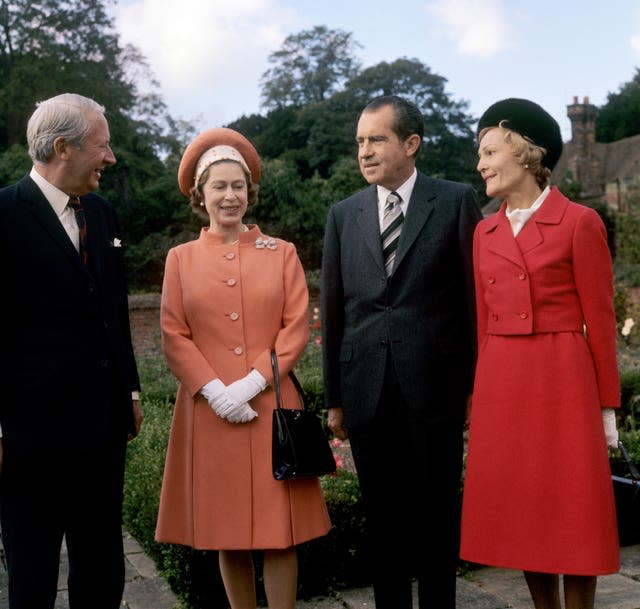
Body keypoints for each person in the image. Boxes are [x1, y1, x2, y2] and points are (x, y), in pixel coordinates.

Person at [155, 127, 332, 609]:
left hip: (271, 405)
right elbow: (174, 334)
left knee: (281, 532)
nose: (229, 196)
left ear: (250, 192)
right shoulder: (180, 259)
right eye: (219, 186)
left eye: (238, 186)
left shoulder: (283, 253)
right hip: (210, 413)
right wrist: (215, 391)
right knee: (226, 531)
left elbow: (294, 327)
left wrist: (252, 382)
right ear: (201, 194)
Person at [321, 94, 483, 609]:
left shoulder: (455, 201)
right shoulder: (343, 215)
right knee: (383, 525)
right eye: (360, 142)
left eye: (376, 139)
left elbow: (475, 303)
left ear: (411, 144)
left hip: (434, 391)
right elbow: (335, 311)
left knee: (437, 521)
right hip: (366, 389)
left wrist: (476, 388)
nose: (364, 152)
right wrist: (335, 398)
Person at [460, 98, 620, 609]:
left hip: (564, 380)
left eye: (488, 151)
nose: (480, 163)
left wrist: (607, 406)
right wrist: (477, 397)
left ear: (526, 153)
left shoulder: (580, 221)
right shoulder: (482, 233)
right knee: (527, 510)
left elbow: (601, 320)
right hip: (503, 385)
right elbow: (483, 328)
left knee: (574, 507)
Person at [0, 93, 143, 609]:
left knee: (103, 569)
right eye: (102, 147)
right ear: (63, 147)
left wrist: (129, 389)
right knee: (32, 573)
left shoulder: (103, 214)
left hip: (102, 430)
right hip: (28, 438)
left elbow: (115, 310)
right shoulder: (4, 213)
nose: (111, 158)